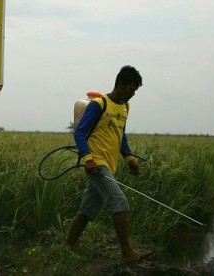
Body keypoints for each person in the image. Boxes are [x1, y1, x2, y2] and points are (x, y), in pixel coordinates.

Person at [67, 65, 147, 261]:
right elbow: (79, 132)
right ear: (120, 84)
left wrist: (129, 159)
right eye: (131, 89)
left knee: (87, 210)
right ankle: (127, 252)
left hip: (109, 165)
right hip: (96, 164)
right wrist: (88, 159)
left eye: (135, 90)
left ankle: (67, 247)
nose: (133, 94)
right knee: (119, 202)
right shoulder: (99, 105)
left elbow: (121, 135)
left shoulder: (125, 107)